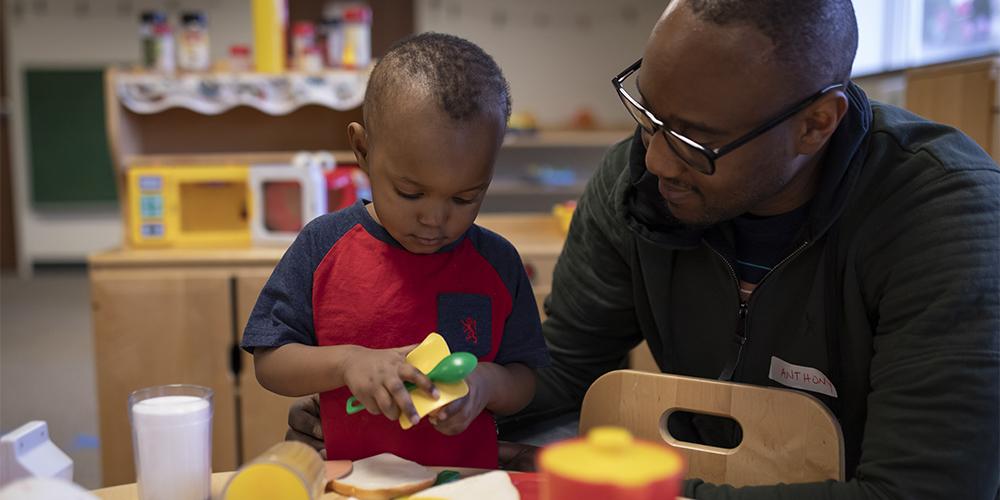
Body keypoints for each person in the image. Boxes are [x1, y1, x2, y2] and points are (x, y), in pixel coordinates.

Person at [288, 0, 1000, 497]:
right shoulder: (639, 183)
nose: (655, 160)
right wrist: (408, 408)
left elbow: (919, 492)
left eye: (692, 138)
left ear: (815, 125)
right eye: (647, 113)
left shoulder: (945, 219)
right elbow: (560, 370)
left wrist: (638, 492)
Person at [242, 32, 549, 469]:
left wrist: (485, 384)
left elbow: (523, 378)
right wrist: (347, 363)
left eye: (464, 198)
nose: (434, 218)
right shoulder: (322, 246)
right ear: (363, 150)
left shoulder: (497, 264)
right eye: (410, 192)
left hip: (466, 483)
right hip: (350, 482)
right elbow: (270, 361)